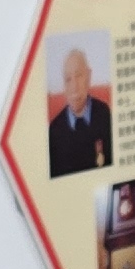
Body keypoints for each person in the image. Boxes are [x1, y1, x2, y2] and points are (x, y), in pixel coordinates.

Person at [47, 45, 113, 174]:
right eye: (68, 79)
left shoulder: (104, 113)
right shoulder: (54, 130)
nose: (74, 86)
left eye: (78, 76)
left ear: (88, 76)